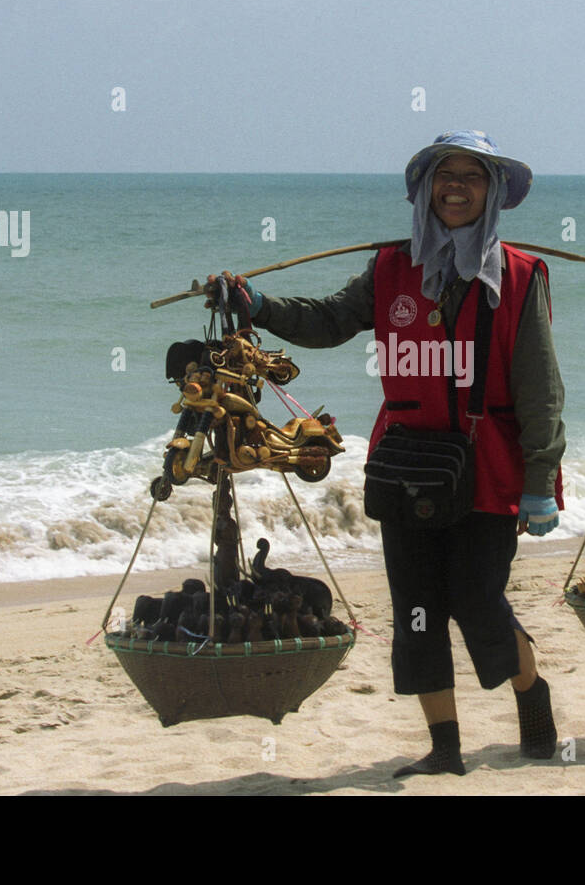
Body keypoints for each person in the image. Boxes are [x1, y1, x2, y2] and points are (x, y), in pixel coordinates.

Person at [207, 130, 566, 777]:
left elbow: (541, 387)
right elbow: (327, 321)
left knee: (479, 604)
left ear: (493, 193)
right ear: (425, 188)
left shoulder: (518, 277)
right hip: (405, 467)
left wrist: (542, 476)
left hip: (488, 470)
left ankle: (531, 698)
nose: (455, 187)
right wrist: (255, 306)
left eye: (472, 176)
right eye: (444, 175)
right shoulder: (390, 268)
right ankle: (446, 749)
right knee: (419, 610)